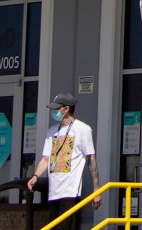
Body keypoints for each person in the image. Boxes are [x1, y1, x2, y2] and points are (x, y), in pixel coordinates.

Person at [25, 94, 94, 229]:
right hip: (53, 190)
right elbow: (46, 158)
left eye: (57, 109)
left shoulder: (82, 129)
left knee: (65, 227)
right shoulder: (52, 131)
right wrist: (35, 176)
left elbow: (92, 158)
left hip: (70, 190)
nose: (54, 112)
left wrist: (96, 188)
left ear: (66, 109)